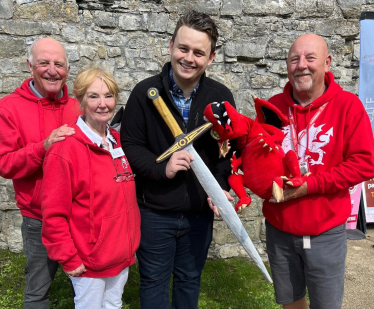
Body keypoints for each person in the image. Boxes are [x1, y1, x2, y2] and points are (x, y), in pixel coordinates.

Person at [119, 10, 235, 309]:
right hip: (155, 211)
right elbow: (131, 146)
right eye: (183, 48)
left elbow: (228, 151)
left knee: (188, 281)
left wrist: (220, 186)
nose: (189, 58)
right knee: (154, 283)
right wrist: (162, 168)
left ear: (210, 58)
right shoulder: (145, 93)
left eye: (199, 52)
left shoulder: (220, 97)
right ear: (171, 45)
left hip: (199, 214)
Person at [263, 33, 374, 309]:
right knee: (291, 302)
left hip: (325, 230)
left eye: (310, 58)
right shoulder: (271, 107)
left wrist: (310, 185)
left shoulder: (348, 106)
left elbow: (365, 162)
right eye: (294, 59)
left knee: (326, 305)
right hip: (280, 227)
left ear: (327, 62)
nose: (302, 65)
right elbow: (259, 158)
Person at [41, 67, 141, 309]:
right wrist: (69, 258)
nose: (103, 104)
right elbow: (54, 214)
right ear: (80, 100)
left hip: (120, 255)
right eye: (93, 96)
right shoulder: (65, 149)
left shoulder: (116, 141)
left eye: (108, 96)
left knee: (113, 305)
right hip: (89, 261)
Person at [0, 37, 80, 308]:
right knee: (37, 288)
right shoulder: (9, 107)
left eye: (59, 64)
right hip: (39, 217)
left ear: (67, 70)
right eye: (44, 63)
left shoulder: (77, 106)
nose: (52, 70)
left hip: (77, 213)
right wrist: (43, 146)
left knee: (86, 283)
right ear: (30, 66)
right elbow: (5, 163)